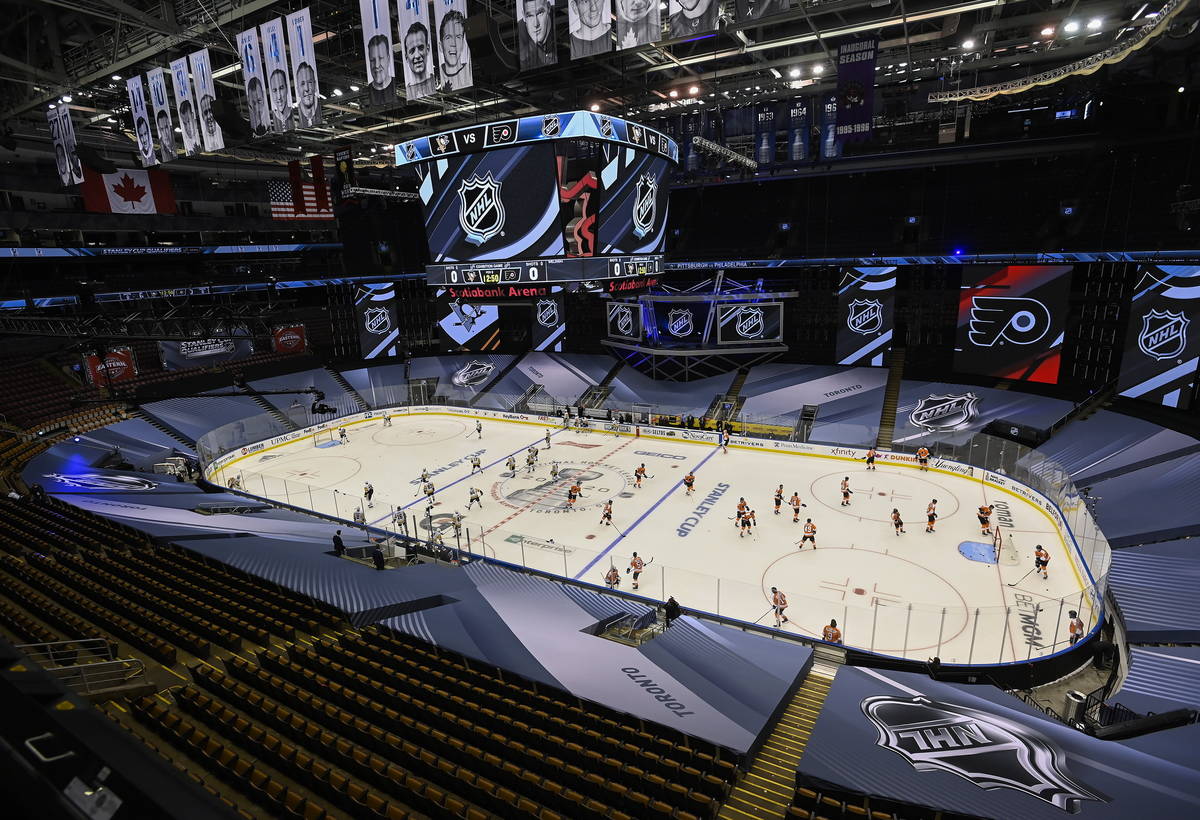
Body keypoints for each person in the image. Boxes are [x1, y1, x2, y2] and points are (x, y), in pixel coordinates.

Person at [438, 10, 470, 92]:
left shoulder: (468, 72)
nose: (453, 44)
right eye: (448, 37)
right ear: (440, 46)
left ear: (463, 44)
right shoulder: (434, 77)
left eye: (458, 37)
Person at [402, 22, 436, 99]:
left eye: (420, 48)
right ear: (406, 57)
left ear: (427, 49)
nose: (417, 55)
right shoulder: (406, 92)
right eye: (412, 51)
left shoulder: (435, 83)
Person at [518, 0, 556, 69]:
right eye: (529, 16)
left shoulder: (559, 17)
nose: (536, 24)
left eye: (540, 13)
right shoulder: (520, 32)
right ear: (523, 16)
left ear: (548, 8)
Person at [295, 61, 320, 126]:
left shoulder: (321, 107)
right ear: (297, 90)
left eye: (309, 82)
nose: (306, 89)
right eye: (302, 84)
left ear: (315, 85)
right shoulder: (293, 112)